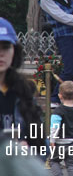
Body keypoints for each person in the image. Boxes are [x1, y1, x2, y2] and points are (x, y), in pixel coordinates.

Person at [0, 17, 46, 149]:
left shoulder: (24, 91)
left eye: (5, 47)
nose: (1, 54)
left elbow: (42, 146)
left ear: (15, 51)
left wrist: (28, 151)